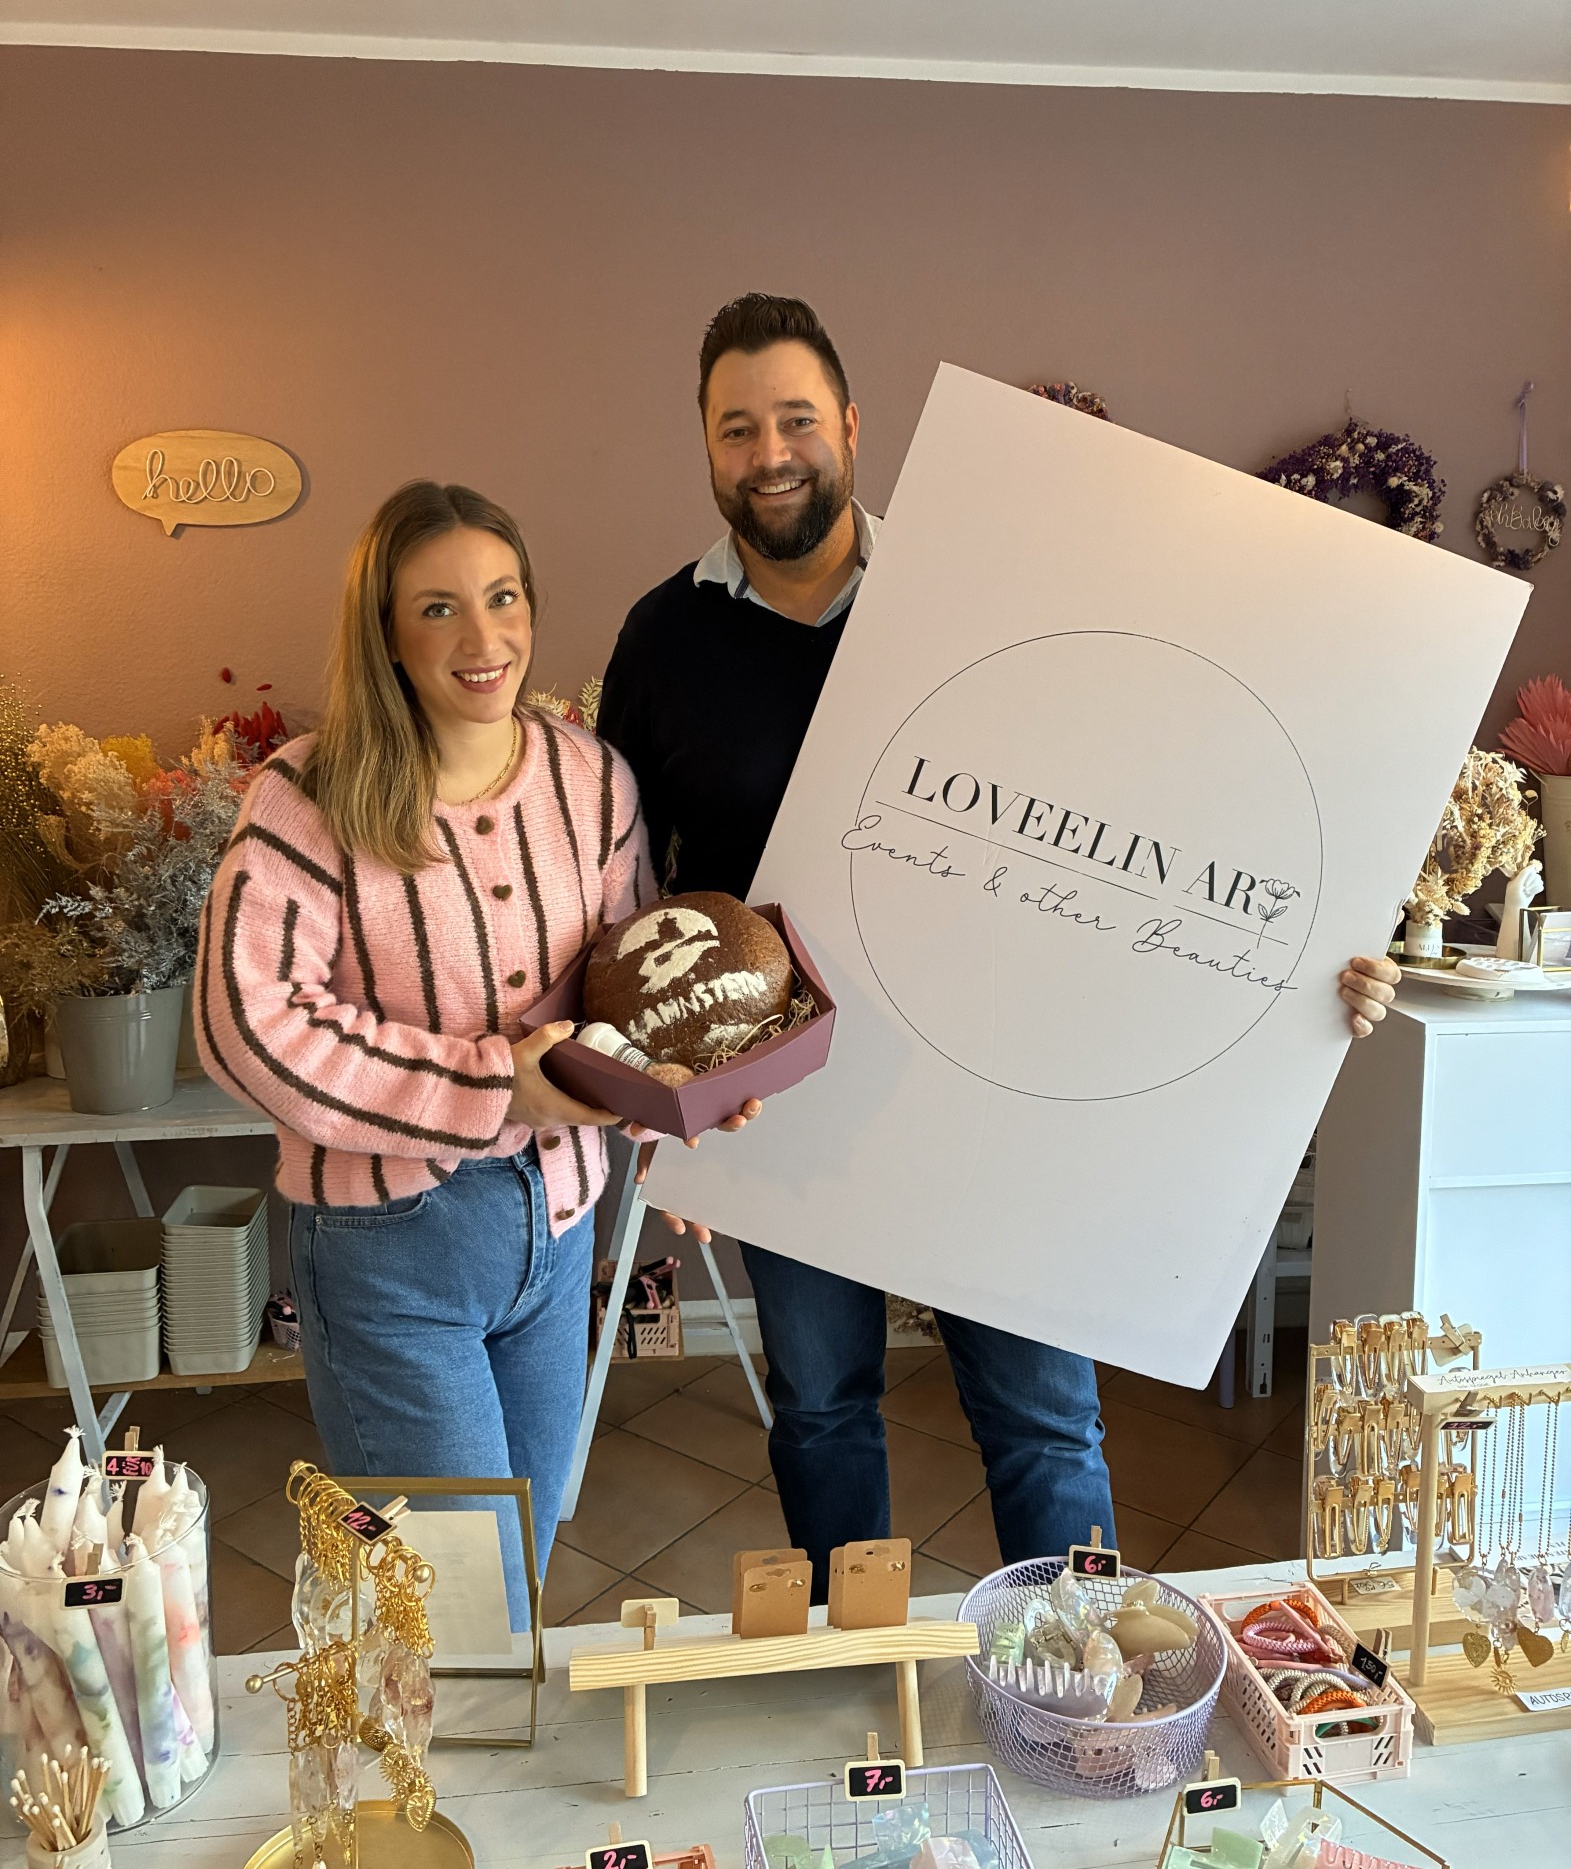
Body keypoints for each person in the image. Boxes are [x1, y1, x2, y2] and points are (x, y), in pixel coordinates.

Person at [597, 293, 1402, 1593]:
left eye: (795, 419)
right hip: (781, 1105)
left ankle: (1075, 1672)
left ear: (850, 426)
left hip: (995, 1079)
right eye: (736, 428)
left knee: (1042, 1419)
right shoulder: (660, 639)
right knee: (819, 1407)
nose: (769, 453)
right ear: (704, 444)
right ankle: (861, 1659)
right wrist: (658, 1092)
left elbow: (1136, 814)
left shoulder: (974, 592)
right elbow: (629, 890)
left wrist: (1313, 956)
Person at [196, 479, 755, 1619]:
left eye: (502, 597)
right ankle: (405, 1734)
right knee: (456, 1598)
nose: (482, 637)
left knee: (524, 1557)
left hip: (557, 1228)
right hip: (389, 1246)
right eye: (438, 608)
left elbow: (624, 987)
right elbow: (246, 1023)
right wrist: (496, 1086)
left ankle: (444, 1718)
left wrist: (677, 1105)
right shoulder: (306, 795)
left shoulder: (589, 779)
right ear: (386, 633)